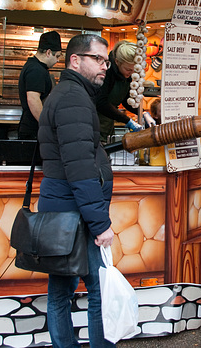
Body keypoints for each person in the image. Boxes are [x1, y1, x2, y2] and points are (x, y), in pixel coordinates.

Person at [37, 34, 116, 347]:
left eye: (106, 61)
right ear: (74, 60)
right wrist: (100, 224)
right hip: (74, 216)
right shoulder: (74, 98)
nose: (104, 67)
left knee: (59, 293)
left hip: (61, 212)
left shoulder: (66, 92)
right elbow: (81, 169)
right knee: (98, 290)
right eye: (98, 59)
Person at [18, 30, 62, 139]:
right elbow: (33, 99)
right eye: (57, 56)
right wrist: (46, 125)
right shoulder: (36, 70)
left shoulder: (37, 67)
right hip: (33, 131)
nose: (58, 60)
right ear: (48, 52)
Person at [96, 40, 143, 141]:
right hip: (95, 125)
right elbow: (100, 102)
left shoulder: (127, 75)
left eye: (134, 70)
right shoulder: (105, 73)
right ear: (117, 62)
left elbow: (126, 100)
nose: (131, 73)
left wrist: (142, 113)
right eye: (128, 69)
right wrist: (127, 121)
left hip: (108, 126)